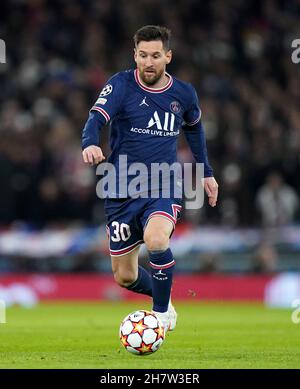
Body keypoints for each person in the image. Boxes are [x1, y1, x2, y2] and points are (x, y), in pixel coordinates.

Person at [81, 25, 218, 332]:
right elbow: (96, 118)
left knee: (157, 239)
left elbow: (194, 130)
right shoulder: (120, 85)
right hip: (121, 188)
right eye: (143, 56)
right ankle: (164, 299)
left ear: (168, 56)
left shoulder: (183, 93)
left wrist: (206, 173)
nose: (149, 62)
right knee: (124, 276)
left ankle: (158, 317)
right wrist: (89, 142)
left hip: (163, 183)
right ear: (135, 55)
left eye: (156, 56)